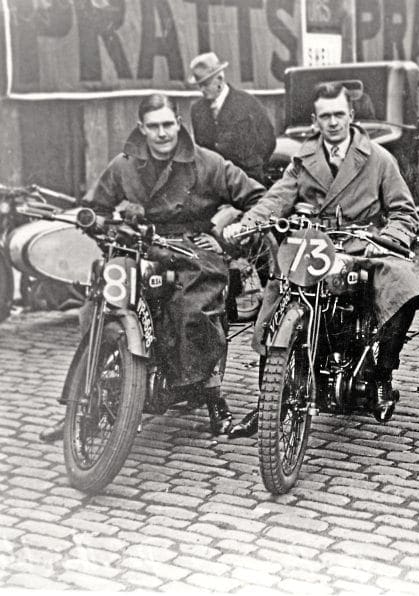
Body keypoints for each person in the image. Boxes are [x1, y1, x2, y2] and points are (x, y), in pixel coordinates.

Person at [39, 94, 266, 443]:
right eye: (153, 126)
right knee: (97, 308)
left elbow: (256, 199)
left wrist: (222, 236)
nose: (162, 133)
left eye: (167, 124)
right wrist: (107, 224)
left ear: (178, 123)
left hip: (191, 248)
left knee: (193, 310)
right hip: (138, 245)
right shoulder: (124, 165)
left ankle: (212, 397)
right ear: (142, 128)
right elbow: (95, 207)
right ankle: (82, 403)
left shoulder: (207, 163)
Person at [223, 82, 419, 437]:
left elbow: (404, 212)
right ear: (315, 120)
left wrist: (391, 238)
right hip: (313, 244)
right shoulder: (302, 161)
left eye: (338, 114)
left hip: (362, 245)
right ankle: (268, 399)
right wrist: (248, 224)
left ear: (351, 115)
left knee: (403, 285)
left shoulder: (378, 158)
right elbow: (276, 200)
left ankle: (382, 374)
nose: (332, 122)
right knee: (277, 299)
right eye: (324, 116)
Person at [189, 52, 276, 184]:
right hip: (214, 184)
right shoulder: (197, 110)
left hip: (248, 182)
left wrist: (253, 168)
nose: (202, 90)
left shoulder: (248, 103)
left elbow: (268, 140)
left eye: (206, 84)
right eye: (199, 85)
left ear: (219, 79)